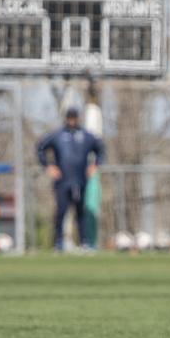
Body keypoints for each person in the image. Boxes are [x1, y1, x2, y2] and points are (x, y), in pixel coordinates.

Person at [37, 107, 105, 252]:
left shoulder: (86, 135)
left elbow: (100, 148)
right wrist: (48, 166)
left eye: (74, 118)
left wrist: (95, 165)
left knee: (81, 212)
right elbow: (40, 147)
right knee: (61, 211)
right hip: (62, 180)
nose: (72, 121)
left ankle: (84, 243)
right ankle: (58, 242)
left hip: (80, 179)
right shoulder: (57, 135)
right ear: (66, 119)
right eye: (70, 118)